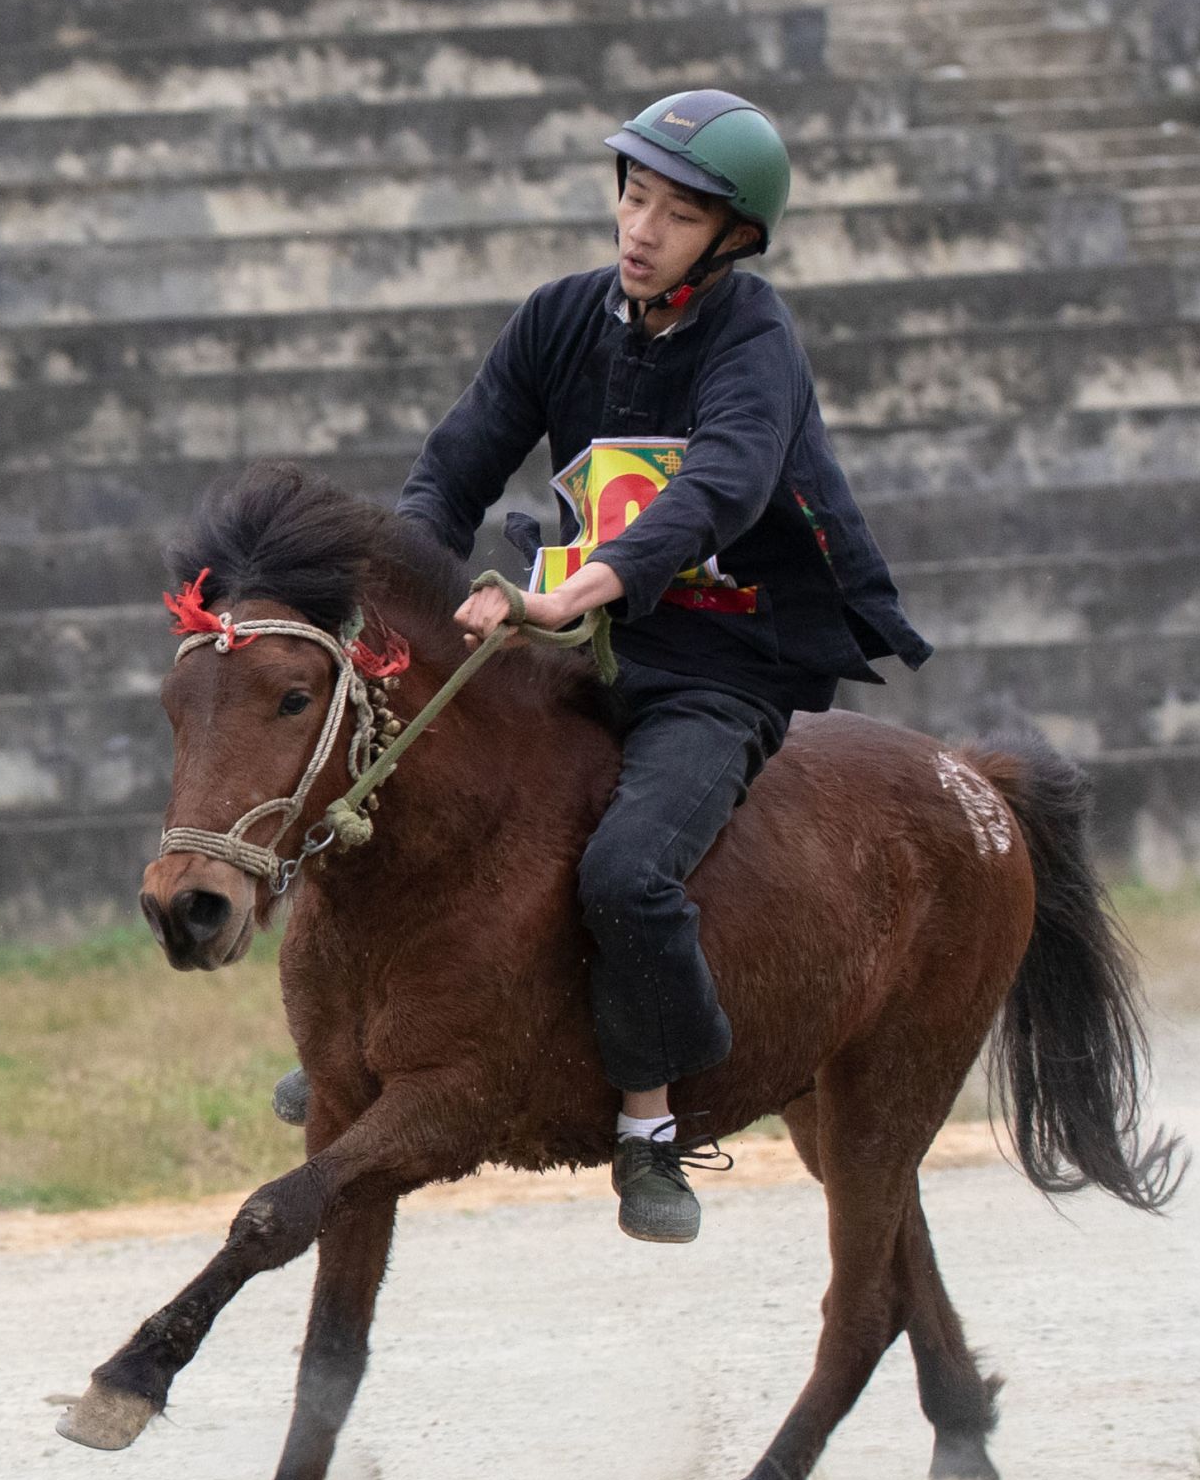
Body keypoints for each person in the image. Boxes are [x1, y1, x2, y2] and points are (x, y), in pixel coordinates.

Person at [397, 89, 931, 1245]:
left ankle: (665, 1114)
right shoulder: (555, 320)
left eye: (677, 214)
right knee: (413, 777)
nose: (640, 229)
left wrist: (564, 596)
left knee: (627, 874)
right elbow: (448, 475)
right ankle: (377, 1036)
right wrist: (392, 599)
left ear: (731, 238)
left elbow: (716, 492)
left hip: (718, 662)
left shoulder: (755, 341)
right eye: (633, 196)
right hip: (575, 643)